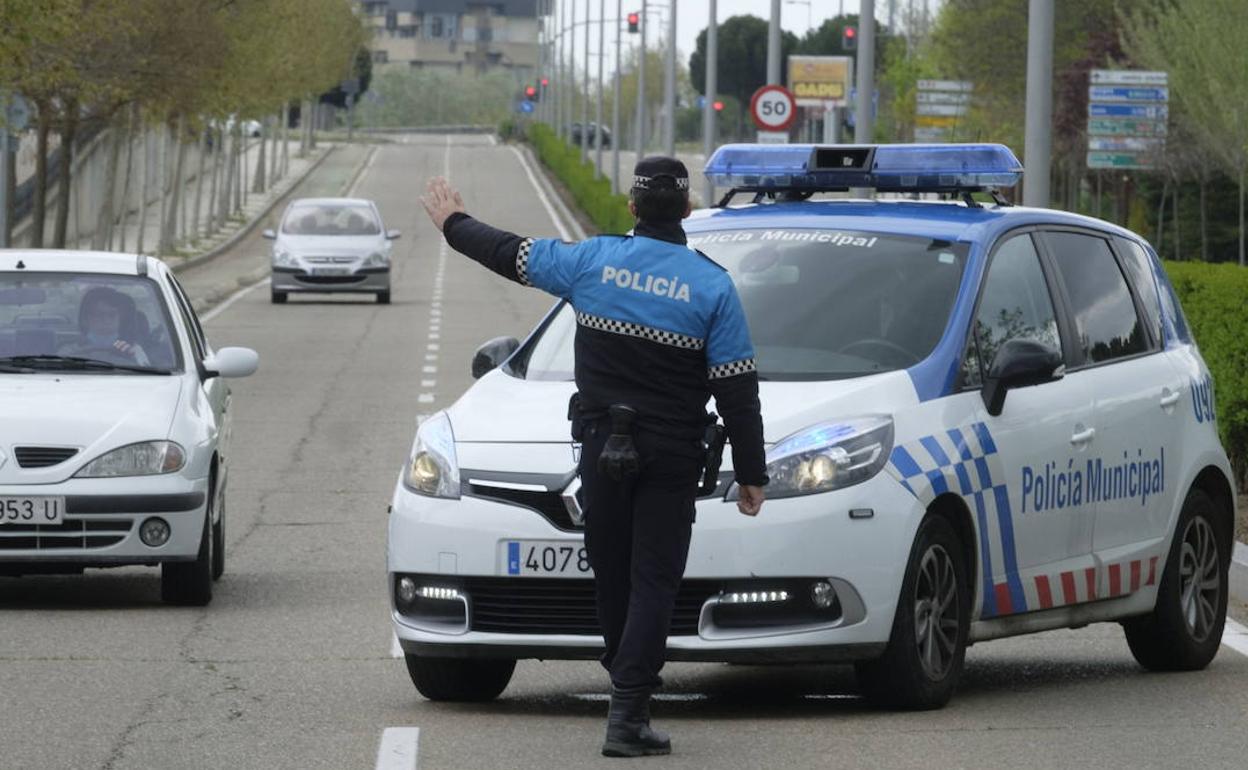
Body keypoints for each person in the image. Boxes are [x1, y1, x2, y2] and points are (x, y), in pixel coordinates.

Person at [420, 157, 767, 758]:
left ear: (633, 207)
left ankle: (623, 687)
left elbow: (509, 253)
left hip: (602, 447)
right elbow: (737, 389)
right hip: (671, 455)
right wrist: (752, 474)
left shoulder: (591, 261)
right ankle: (629, 709)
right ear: (687, 210)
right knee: (654, 579)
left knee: (610, 573)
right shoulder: (712, 286)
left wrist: (453, 221)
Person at [60, 286, 150, 366]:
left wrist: (132, 358)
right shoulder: (69, 350)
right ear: (86, 319)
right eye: (99, 315)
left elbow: (149, 378)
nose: (106, 320)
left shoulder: (134, 350)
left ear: (120, 319)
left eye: (112, 315)